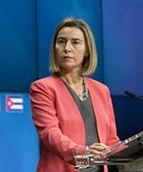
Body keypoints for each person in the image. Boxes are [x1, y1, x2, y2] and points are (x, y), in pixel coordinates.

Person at [30, 17, 120, 172]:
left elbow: (111, 140)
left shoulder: (101, 90)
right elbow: (50, 135)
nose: (67, 48)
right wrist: (84, 153)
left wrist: (140, 152)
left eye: (75, 42)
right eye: (61, 41)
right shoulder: (42, 88)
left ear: (87, 51)